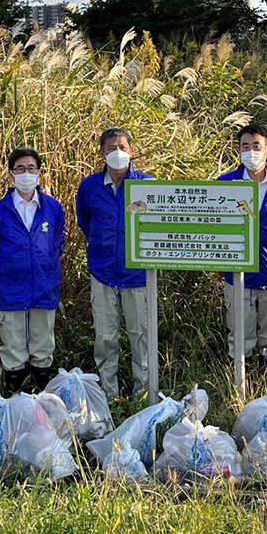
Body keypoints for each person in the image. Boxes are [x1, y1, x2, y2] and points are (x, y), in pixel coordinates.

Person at [75, 127, 153, 398]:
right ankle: (108, 394)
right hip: (103, 273)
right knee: (105, 338)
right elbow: (85, 221)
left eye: (122, 147)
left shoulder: (147, 184)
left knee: (141, 337)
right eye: (110, 148)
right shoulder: (90, 186)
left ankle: (142, 394)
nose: (117, 152)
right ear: (102, 153)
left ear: (132, 151)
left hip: (139, 276)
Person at [0, 148, 66, 393]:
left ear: (39, 172)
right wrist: (11, 265)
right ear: (11, 174)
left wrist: (46, 262)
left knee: (43, 347)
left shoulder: (52, 207)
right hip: (11, 288)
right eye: (20, 169)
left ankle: (41, 401)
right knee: (13, 348)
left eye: (31, 168)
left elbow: (57, 240)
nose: (26, 173)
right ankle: (15, 401)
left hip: (44, 285)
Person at [217, 123, 267, 366]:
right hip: (238, 274)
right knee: (240, 337)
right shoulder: (226, 182)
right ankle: (240, 389)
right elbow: (214, 224)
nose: (251, 151)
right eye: (245, 146)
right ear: (238, 150)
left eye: (256, 146)